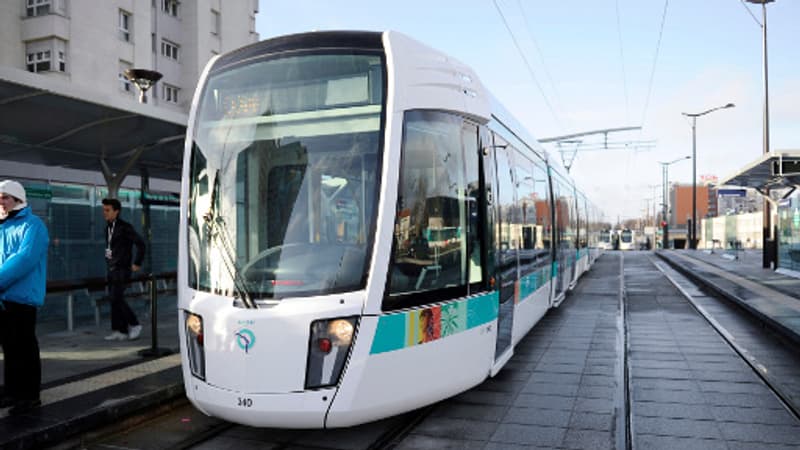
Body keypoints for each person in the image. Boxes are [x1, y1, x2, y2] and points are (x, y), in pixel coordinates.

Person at [0, 180, 49, 415]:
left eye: (4, 197)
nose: (1, 201)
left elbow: (24, 260)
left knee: (24, 346)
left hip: (22, 298)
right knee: (9, 346)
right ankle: (12, 391)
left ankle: (29, 395)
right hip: (4, 297)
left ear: (17, 199)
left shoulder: (34, 225)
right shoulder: (3, 225)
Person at [101, 198, 145, 341]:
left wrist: (137, 262)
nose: (104, 213)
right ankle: (120, 330)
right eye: (104, 210)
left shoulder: (125, 227)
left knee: (117, 298)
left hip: (122, 269)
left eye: (107, 210)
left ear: (116, 211)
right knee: (113, 300)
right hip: (112, 269)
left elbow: (141, 244)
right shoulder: (107, 227)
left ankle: (135, 324)